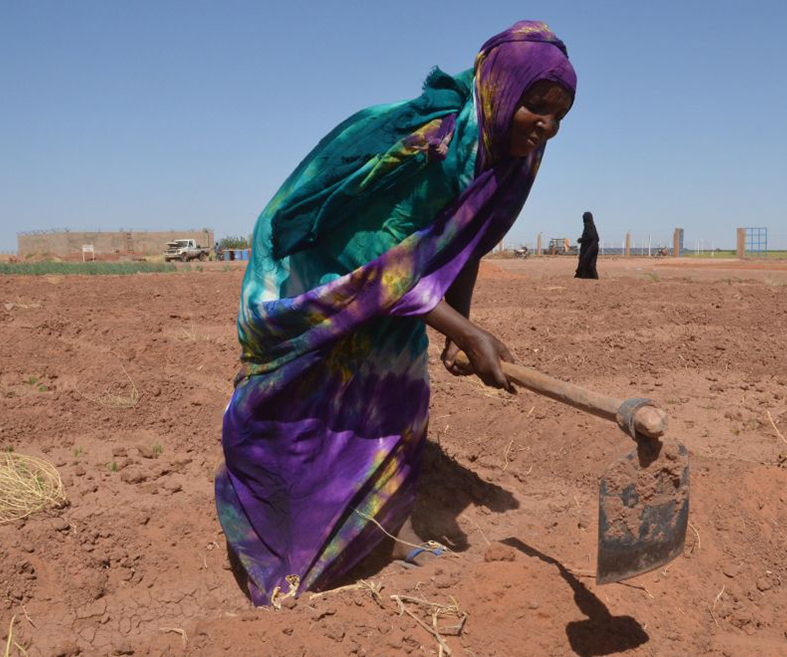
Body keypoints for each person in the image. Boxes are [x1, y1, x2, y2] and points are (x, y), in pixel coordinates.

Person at [215, 21, 577, 606]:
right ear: (500, 91)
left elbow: (463, 242)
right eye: (537, 106)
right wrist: (466, 330)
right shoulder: (428, 144)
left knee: (397, 388)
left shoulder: (514, 156)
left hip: (398, 277)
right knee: (298, 398)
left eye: (561, 114)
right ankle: (284, 537)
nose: (547, 125)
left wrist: (458, 325)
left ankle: (385, 528)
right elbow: (378, 258)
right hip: (323, 262)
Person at [574, 211, 599, 279]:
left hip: (590, 247)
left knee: (584, 261)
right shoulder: (593, 226)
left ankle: (583, 275)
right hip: (595, 246)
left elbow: (591, 236)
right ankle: (593, 277)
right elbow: (597, 238)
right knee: (591, 263)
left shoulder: (588, 225)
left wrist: (581, 240)